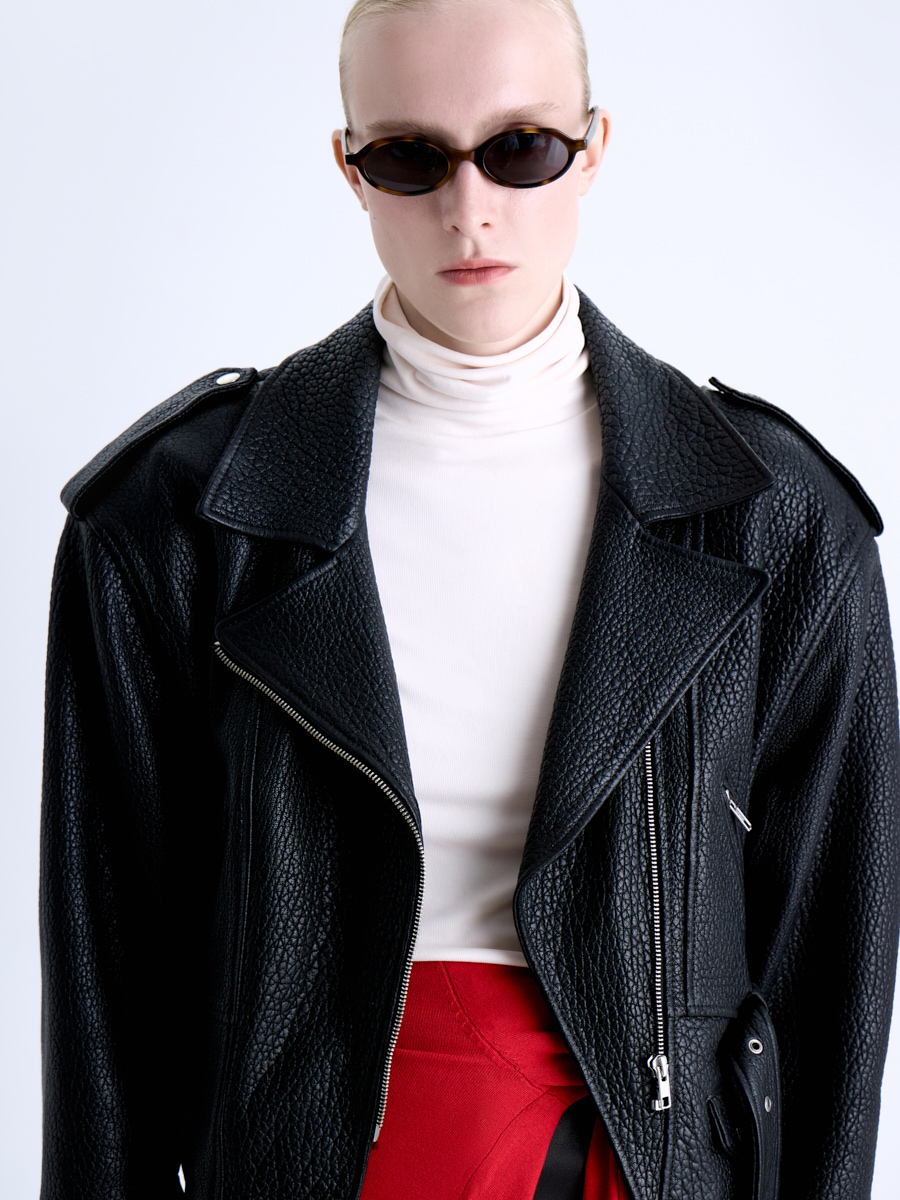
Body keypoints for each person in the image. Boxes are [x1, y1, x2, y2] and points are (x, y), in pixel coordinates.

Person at [39, 0, 900, 1197]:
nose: (469, 206)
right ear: (348, 167)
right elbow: (108, 997)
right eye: (409, 156)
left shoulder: (779, 522)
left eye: (521, 149)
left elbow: (832, 988)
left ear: (594, 149)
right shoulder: (169, 520)